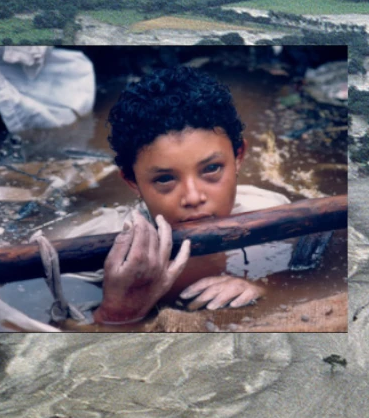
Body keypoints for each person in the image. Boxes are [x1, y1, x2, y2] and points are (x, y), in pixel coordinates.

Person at [93, 66, 270, 325]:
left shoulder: (272, 218)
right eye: (165, 179)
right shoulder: (95, 257)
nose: (193, 197)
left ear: (238, 156)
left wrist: (263, 289)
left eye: (211, 169)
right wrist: (116, 312)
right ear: (132, 181)